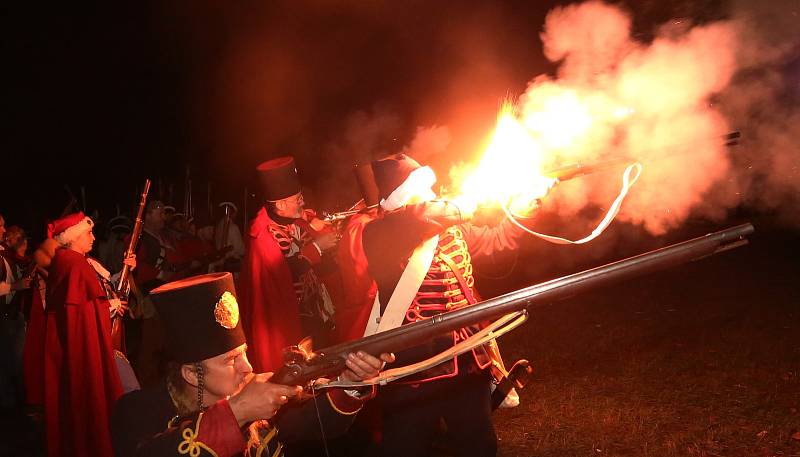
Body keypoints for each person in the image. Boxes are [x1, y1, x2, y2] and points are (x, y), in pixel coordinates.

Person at [358, 154, 543, 457]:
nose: (432, 193)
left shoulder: (451, 227)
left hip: (469, 362)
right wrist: (460, 205)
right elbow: (416, 219)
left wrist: (522, 212)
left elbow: (497, 240)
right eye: (421, 190)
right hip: (415, 372)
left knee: (479, 446)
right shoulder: (380, 234)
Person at [111, 271, 394, 457]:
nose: (247, 367)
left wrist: (354, 381)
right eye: (231, 360)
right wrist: (238, 411)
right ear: (191, 373)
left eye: (244, 353)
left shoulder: (255, 393)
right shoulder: (136, 412)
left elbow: (322, 423)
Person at [41, 211, 136, 457]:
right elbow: (82, 311)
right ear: (73, 238)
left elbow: (100, 291)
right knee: (127, 396)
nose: (93, 237)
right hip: (93, 347)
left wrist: (126, 271)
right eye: (88, 233)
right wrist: (109, 307)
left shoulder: (78, 261)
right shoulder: (74, 264)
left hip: (96, 340)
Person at [239, 156, 338, 372]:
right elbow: (281, 273)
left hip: (312, 311)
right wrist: (318, 248)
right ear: (281, 205)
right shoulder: (263, 235)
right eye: (298, 199)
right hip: (290, 319)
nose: (303, 202)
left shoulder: (296, 221)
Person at [0, 217, 32, 412]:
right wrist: (14, 286)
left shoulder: (5, 254)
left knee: (14, 363)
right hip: (3, 319)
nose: (4, 230)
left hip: (11, 318)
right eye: (0, 225)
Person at [213, 201, 245, 275]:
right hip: (231, 265)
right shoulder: (233, 227)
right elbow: (240, 249)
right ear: (232, 213)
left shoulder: (218, 226)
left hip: (221, 263)